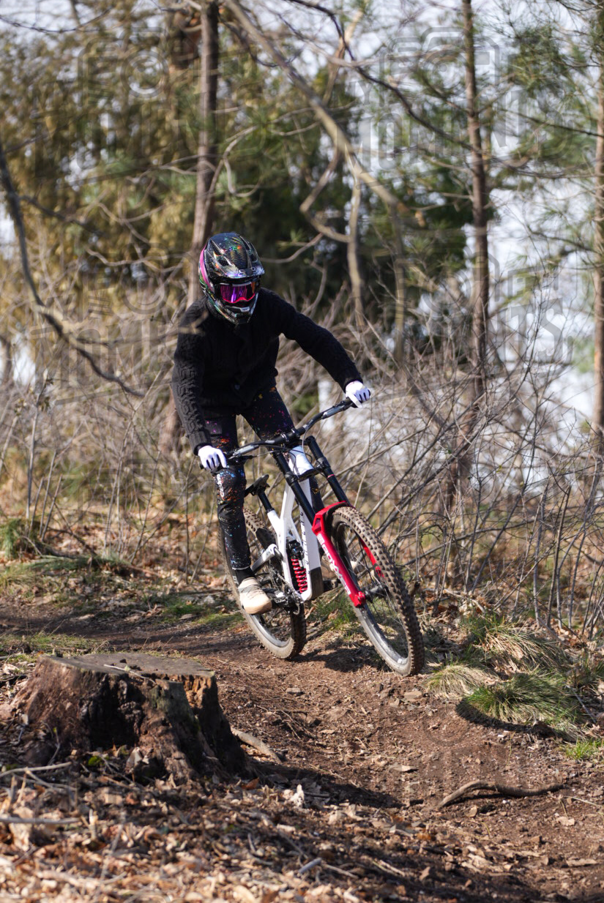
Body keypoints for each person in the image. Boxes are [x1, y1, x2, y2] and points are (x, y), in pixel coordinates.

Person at [171, 232, 371, 615]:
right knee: (230, 481)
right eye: (231, 292)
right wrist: (201, 443)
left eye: (248, 289)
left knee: (300, 462)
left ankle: (324, 552)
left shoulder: (268, 306)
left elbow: (314, 337)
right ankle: (245, 578)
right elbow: (183, 385)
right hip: (213, 406)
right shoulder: (195, 324)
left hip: (258, 390)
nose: (242, 300)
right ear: (211, 287)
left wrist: (350, 378)